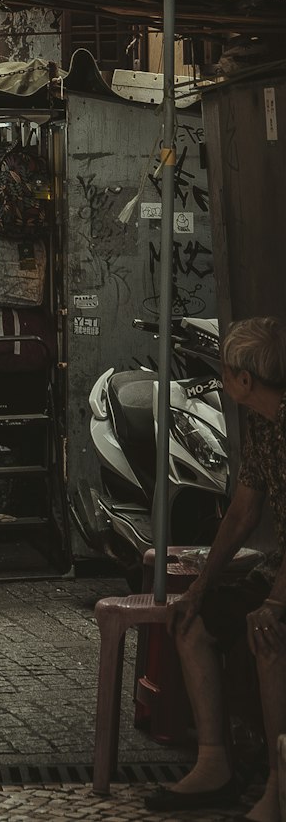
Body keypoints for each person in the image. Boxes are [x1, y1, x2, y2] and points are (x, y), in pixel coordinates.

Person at [147, 315, 286, 819]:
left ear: (244, 381)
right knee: (193, 624)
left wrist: (272, 603)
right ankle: (213, 764)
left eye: (226, 372)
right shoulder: (260, 424)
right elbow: (244, 511)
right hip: (277, 570)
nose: (223, 380)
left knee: (267, 635)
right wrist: (201, 587)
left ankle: (278, 784)